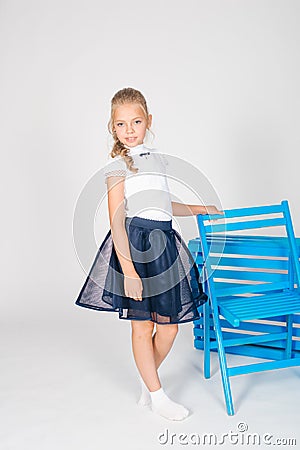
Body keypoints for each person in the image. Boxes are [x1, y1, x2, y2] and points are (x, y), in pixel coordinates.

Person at [75, 87, 223, 421]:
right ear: (113, 128)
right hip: (136, 247)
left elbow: (160, 203)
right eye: (121, 124)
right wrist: (128, 271)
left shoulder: (158, 160)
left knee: (169, 327)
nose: (129, 130)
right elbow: (117, 219)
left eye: (136, 121)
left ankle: (148, 380)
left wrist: (202, 208)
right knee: (142, 327)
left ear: (149, 121)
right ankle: (157, 396)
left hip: (166, 245)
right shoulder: (116, 168)